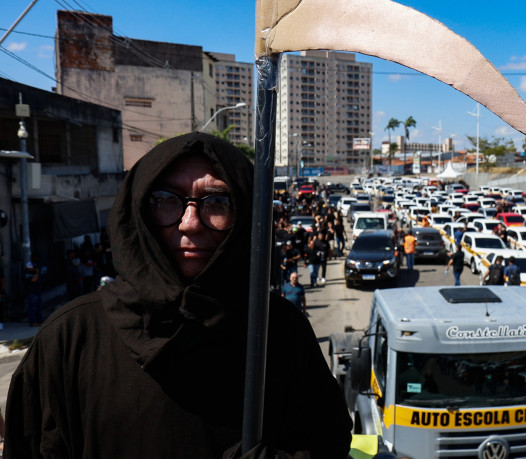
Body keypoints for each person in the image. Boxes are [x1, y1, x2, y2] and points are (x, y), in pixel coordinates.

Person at [5, 133, 351, 458]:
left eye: (217, 202)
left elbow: (326, 439)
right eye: (165, 200)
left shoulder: (278, 331)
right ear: (139, 211)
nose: (190, 222)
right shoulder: (70, 339)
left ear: (247, 215)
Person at [23, 256, 43, 327]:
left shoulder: (34, 272)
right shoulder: (27, 273)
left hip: (37, 292)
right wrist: (37, 273)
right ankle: (33, 322)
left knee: (38, 307)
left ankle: (39, 321)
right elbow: (34, 279)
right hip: (31, 293)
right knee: (32, 307)